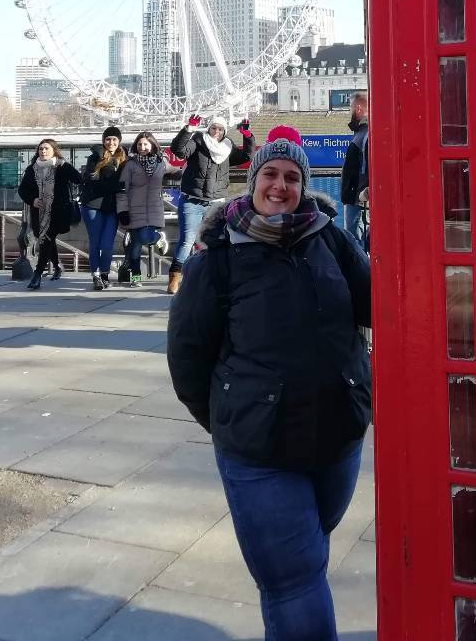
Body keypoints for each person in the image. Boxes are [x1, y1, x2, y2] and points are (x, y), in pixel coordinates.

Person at [167, 133, 371, 641]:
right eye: (271, 175)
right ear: (252, 179)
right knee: (295, 580)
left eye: (292, 178)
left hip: (337, 435)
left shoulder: (330, 238)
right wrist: (230, 419)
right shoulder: (216, 254)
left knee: (307, 556)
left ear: (304, 186)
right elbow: (188, 358)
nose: (280, 186)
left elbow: (379, 305)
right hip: (260, 448)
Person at [167, 113, 254, 295]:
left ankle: (203, 277)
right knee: (187, 241)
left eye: (220, 129)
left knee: (211, 242)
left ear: (224, 131)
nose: (216, 132)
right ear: (209, 128)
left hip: (215, 201)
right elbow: (179, 150)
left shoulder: (227, 147)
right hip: (192, 199)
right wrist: (188, 129)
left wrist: (247, 135)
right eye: (213, 128)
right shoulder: (198, 141)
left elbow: (247, 155)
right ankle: (175, 277)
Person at [18, 138, 82, 291]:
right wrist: (32, 199)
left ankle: (37, 274)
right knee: (47, 240)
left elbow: (78, 179)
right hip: (38, 213)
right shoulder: (31, 169)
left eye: (46, 149)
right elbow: (22, 190)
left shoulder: (61, 167)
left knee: (47, 239)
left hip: (58, 212)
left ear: (54, 151)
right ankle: (57, 266)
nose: (43, 151)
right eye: (41, 149)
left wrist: (66, 165)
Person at [117, 131, 171, 287]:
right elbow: (122, 189)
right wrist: (123, 210)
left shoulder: (161, 162)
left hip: (154, 208)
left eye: (145, 144)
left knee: (145, 238)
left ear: (152, 145)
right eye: (139, 144)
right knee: (135, 248)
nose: (142, 147)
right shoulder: (130, 164)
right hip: (134, 209)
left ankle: (158, 238)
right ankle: (135, 279)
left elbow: (175, 170)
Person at [81, 125, 126, 290]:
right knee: (95, 243)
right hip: (93, 206)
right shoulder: (95, 157)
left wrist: (114, 185)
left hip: (112, 207)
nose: (111, 142)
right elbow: (94, 182)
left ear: (119, 141)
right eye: (108, 139)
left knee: (107, 245)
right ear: (103, 140)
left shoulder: (124, 157)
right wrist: (117, 185)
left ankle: (105, 273)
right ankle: (96, 276)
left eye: (114, 139)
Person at [340, 91, 369, 244]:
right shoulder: (362, 134)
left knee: (352, 242)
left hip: (358, 199)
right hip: (357, 198)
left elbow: (367, 169)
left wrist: (362, 194)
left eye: (350, 109)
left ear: (358, 108)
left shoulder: (365, 135)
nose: (349, 113)